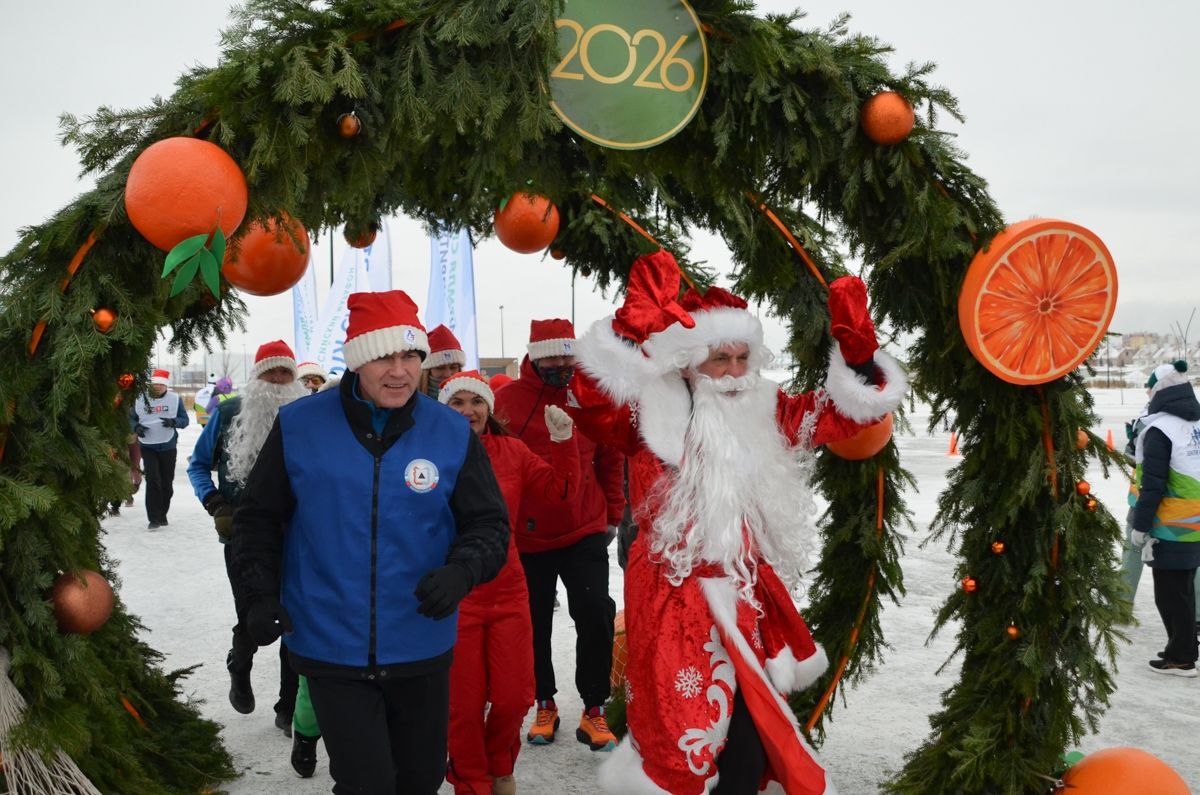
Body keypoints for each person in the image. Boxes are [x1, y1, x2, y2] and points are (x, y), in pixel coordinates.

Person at [567, 251, 907, 794]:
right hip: (669, 598)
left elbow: (841, 415)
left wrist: (860, 359)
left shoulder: (766, 407)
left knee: (749, 743)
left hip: (744, 597)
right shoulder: (645, 412)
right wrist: (629, 333)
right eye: (717, 357)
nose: (731, 371)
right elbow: (591, 402)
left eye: (740, 356)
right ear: (688, 360)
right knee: (684, 738)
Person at [230, 290, 511, 794]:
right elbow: (257, 520)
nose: (400, 371)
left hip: (420, 640)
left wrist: (461, 571)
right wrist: (257, 596)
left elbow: (489, 525)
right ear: (358, 360)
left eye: (410, 356)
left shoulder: (449, 431)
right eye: (384, 356)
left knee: (420, 780)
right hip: (329, 641)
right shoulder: (299, 426)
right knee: (368, 783)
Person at [438, 370, 580, 795]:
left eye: (475, 402)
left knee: (513, 696)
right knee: (461, 707)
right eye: (457, 403)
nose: (468, 411)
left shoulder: (512, 451)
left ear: (489, 407)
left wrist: (563, 443)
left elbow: (561, 494)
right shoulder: (428, 454)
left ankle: (500, 766)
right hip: (456, 594)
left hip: (508, 588)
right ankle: (472, 782)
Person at [493, 318, 625, 752]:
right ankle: (544, 702)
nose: (561, 363)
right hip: (528, 538)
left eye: (567, 355)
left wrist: (613, 514)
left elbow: (609, 456)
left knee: (594, 612)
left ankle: (593, 708)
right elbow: (494, 463)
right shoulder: (506, 401)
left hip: (584, 526)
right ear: (533, 355)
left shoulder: (590, 393)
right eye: (551, 355)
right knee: (533, 623)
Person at [187, 341, 307, 734]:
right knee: (252, 612)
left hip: (297, 534)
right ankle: (240, 665)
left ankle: (287, 707)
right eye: (269, 372)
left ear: (293, 378)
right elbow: (198, 465)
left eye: (284, 373)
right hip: (242, 534)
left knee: (294, 618)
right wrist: (215, 502)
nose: (276, 380)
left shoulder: (306, 413)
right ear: (255, 378)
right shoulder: (228, 412)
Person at [1129, 360, 1200, 677]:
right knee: (1182, 590)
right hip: (1195, 522)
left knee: (1170, 593)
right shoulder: (1193, 425)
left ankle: (1182, 657)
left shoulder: (1160, 431)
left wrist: (1141, 526)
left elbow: (1153, 485)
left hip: (1172, 526)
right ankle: (1180, 647)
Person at [131, 369, 189, 529]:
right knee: (153, 480)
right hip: (147, 445)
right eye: (155, 384)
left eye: (161, 385)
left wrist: (174, 422)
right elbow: (131, 418)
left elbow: (185, 420)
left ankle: (163, 514)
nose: (157, 387)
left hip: (168, 445)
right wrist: (136, 427)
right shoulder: (140, 398)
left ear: (166, 386)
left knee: (166, 482)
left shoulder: (175, 399)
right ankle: (153, 518)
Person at [422, 324, 466, 398]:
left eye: (453, 367)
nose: (447, 374)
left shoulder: (472, 396)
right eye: (440, 368)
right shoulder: (409, 400)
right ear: (427, 371)